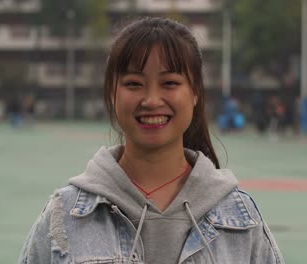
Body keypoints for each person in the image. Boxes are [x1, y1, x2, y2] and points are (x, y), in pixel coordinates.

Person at [18, 17, 284, 264]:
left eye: (169, 83)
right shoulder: (65, 216)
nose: (152, 100)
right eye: (134, 84)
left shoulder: (241, 218)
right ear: (112, 92)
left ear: (195, 93)